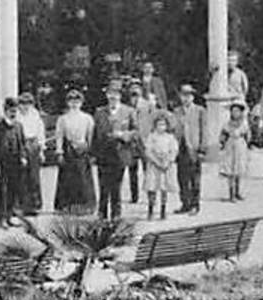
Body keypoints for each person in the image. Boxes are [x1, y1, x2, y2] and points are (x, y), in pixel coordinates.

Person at [93, 83, 138, 219]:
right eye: (110, 94)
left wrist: (124, 135)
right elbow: (95, 135)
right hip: (104, 154)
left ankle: (116, 213)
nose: (113, 97)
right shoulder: (100, 112)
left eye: (116, 94)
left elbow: (136, 131)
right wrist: (94, 154)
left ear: (120, 96)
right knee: (103, 185)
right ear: (106, 95)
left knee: (116, 185)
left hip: (120, 152)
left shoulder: (128, 111)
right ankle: (102, 213)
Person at [53, 89, 96, 215]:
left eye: (77, 101)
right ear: (67, 103)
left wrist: (90, 150)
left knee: (83, 179)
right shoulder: (63, 119)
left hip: (83, 150)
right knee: (67, 179)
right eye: (71, 101)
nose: (74, 104)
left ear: (81, 103)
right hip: (69, 151)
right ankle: (66, 206)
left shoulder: (87, 118)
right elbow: (59, 136)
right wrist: (59, 152)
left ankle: (85, 206)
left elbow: (91, 136)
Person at [0, 97, 29, 227]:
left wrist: (23, 156)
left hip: (15, 163)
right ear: (5, 111)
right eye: (10, 111)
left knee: (13, 190)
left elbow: (22, 143)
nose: (13, 113)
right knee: (2, 191)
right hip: (3, 163)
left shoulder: (18, 126)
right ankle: (1, 218)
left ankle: (9, 216)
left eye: (15, 111)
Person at [172, 83, 205, 215]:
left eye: (188, 95)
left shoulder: (200, 110)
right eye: (183, 95)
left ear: (193, 97)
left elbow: (204, 130)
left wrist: (202, 149)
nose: (186, 98)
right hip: (180, 148)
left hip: (194, 148)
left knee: (195, 178)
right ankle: (185, 203)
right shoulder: (176, 111)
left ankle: (195, 204)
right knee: (182, 177)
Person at [142, 113, 180, 220]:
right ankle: (150, 210)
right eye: (159, 124)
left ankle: (163, 210)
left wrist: (168, 161)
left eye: (163, 124)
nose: (161, 127)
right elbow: (148, 150)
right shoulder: (151, 137)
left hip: (166, 165)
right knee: (152, 187)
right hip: (154, 165)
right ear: (155, 126)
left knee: (164, 187)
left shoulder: (170, 137)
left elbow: (174, 150)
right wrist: (156, 161)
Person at [16, 91, 46, 216]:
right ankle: (20, 205)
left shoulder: (35, 115)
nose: (25, 106)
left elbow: (40, 132)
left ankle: (35, 205)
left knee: (34, 177)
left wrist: (42, 151)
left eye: (28, 103)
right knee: (21, 176)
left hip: (33, 145)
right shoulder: (16, 116)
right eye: (22, 103)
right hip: (21, 145)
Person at [219, 100, 251, 203]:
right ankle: (231, 193)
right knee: (231, 170)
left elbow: (248, 135)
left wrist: (246, 143)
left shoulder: (244, 124)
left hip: (240, 146)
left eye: (237, 111)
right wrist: (222, 142)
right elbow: (222, 135)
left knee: (239, 170)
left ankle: (238, 192)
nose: (235, 113)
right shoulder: (227, 124)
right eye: (233, 111)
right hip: (230, 147)